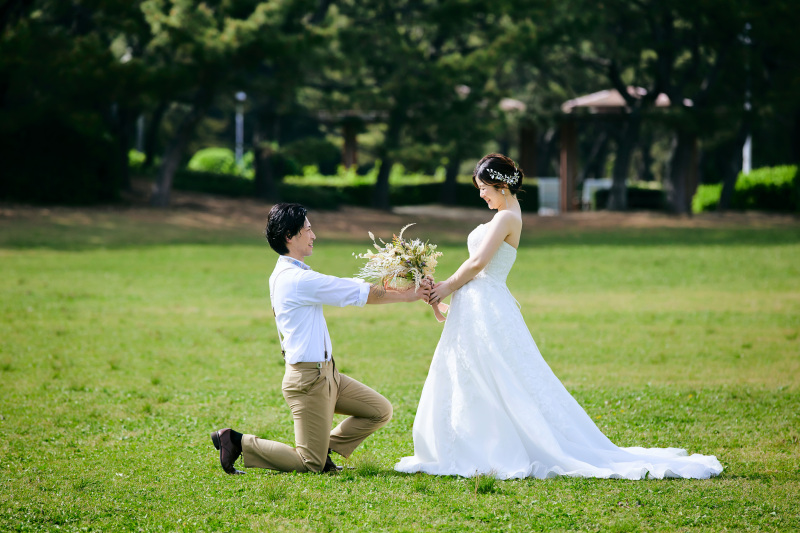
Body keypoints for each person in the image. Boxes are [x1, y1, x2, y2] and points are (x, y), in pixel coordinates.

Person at [395, 153, 723, 480]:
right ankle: (465, 443)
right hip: (478, 304)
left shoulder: (507, 218)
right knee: (473, 374)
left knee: (499, 377)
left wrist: (447, 287)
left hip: (486, 301)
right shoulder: (503, 215)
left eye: (484, 188)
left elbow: (479, 263)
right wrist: (440, 293)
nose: (482, 195)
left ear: (501, 186)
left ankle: (490, 447)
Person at [212, 203, 430, 475]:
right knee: (309, 463)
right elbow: (353, 292)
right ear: (290, 236)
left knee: (379, 410)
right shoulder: (294, 279)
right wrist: (408, 295)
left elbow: (347, 288)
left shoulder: (294, 274)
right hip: (308, 381)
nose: (313, 235)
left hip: (328, 374)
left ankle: (321, 448)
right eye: (308, 229)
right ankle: (236, 441)